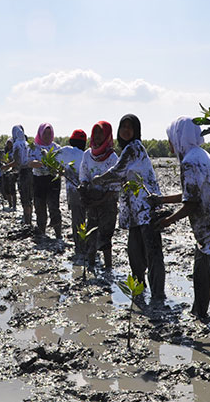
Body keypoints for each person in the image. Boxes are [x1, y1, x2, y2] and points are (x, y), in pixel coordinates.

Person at [151, 117, 210, 335]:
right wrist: (161, 200)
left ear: (179, 137)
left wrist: (166, 221)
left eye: (170, 139)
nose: (170, 144)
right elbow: (191, 194)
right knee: (201, 274)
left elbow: (191, 203)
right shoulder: (200, 155)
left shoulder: (190, 162)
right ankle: (199, 314)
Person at [93, 114, 164, 300]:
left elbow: (117, 172)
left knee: (152, 254)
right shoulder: (129, 149)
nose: (126, 130)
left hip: (147, 209)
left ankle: (158, 296)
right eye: (123, 126)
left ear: (136, 131)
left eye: (130, 127)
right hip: (135, 212)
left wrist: (97, 180)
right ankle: (140, 291)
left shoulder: (134, 148)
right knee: (134, 253)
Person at [79, 121, 119, 270]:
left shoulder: (112, 158)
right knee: (91, 233)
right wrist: (83, 187)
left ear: (108, 135)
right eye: (95, 132)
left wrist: (100, 201)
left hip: (107, 201)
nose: (97, 136)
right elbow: (83, 175)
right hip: (92, 199)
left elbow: (115, 186)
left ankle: (108, 268)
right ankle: (90, 266)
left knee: (106, 236)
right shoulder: (87, 155)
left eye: (101, 133)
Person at [56, 129, 88, 259]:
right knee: (86, 219)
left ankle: (80, 248)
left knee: (77, 220)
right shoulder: (86, 155)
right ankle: (87, 246)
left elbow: (53, 160)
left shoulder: (66, 151)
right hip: (88, 191)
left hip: (74, 193)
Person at [27, 123, 62, 238]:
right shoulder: (34, 147)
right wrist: (44, 163)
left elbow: (61, 164)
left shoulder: (56, 148)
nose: (47, 135)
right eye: (44, 133)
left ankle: (58, 234)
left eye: (49, 133)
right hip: (39, 180)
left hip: (53, 180)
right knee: (40, 206)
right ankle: (42, 231)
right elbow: (30, 163)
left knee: (54, 207)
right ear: (40, 133)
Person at [2, 125, 34, 226]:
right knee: (30, 198)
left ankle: (27, 222)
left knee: (24, 199)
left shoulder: (16, 145)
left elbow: (17, 161)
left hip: (23, 173)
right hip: (31, 172)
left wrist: (6, 166)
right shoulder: (27, 144)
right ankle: (29, 220)